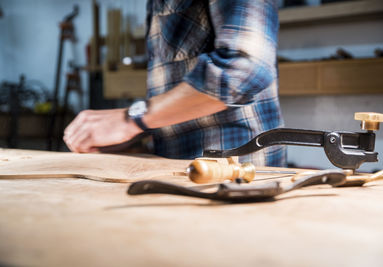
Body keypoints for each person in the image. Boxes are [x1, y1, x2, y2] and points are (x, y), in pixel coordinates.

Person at [64, 0, 286, 167]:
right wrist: (137, 135)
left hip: (237, 172)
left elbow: (244, 69)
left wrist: (130, 120)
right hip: (177, 169)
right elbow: (177, 90)